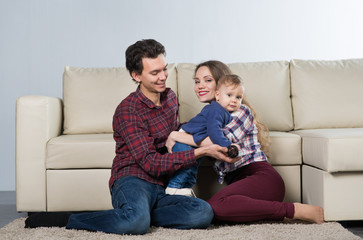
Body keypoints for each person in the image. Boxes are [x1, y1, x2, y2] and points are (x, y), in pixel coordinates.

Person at [25, 40, 239, 234]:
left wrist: (204, 136)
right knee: (135, 224)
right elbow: (150, 163)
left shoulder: (170, 98)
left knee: (202, 213)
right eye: (155, 73)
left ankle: (139, 215)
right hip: (133, 179)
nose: (163, 76)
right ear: (136, 76)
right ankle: (71, 218)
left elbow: (175, 134)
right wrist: (201, 151)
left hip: (162, 187)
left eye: (164, 69)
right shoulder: (128, 110)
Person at [166, 60, 325, 224]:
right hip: (240, 186)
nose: (200, 86)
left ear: (222, 83)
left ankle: (292, 210)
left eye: (207, 80)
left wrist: (176, 136)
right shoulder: (211, 114)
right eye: (197, 81)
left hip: (263, 178)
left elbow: (219, 143)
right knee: (215, 210)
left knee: (215, 207)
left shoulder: (241, 112)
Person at [166, 74, 244, 196]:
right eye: (229, 95)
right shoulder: (216, 110)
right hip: (185, 138)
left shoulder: (226, 112)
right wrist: (227, 145)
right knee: (189, 166)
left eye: (238, 97)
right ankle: (173, 188)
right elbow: (214, 131)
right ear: (217, 95)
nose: (234, 100)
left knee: (194, 165)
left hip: (191, 137)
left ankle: (184, 191)